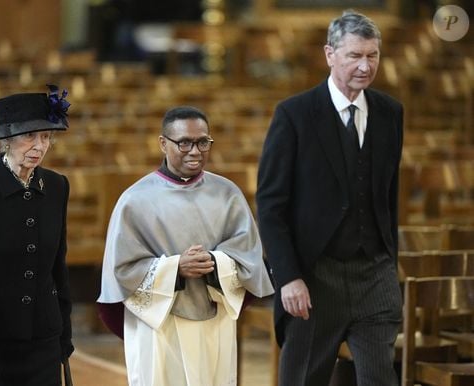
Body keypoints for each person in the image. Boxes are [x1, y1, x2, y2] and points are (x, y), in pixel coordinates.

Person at [256, 10, 404, 386]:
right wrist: (288, 276)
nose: (365, 65)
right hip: (314, 278)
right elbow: (271, 207)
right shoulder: (294, 114)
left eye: (372, 55)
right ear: (330, 54)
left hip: (375, 275)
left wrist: (389, 260)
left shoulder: (390, 113)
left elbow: (389, 196)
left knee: (380, 380)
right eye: (354, 55)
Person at [97, 106, 275, 386]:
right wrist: (175, 268)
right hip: (159, 325)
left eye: (203, 142)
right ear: (163, 143)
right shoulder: (134, 201)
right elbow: (121, 271)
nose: (195, 151)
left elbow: (250, 259)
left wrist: (216, 263)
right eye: (184, 143)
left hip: (214, 321)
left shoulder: (228, 195)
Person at [0, 84, 75, 386]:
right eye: (29, 136)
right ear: (7, 140)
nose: (39, 146)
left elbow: (58, 265)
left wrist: (64, 329)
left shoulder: (57, 186)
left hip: (42, 338)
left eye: (46, 136)